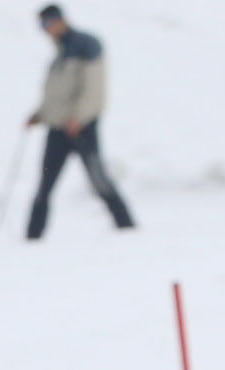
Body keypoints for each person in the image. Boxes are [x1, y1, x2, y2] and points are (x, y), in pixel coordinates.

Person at [23, 5, 133, 240]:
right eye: (42, 26)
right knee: (45, 183)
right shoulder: (60, 54)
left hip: (81, 128)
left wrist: (79, 118)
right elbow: (57, 95)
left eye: (48, 24)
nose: (46, 30)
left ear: (60, 20)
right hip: (57, 129)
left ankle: (127, 227)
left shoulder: (86, 45)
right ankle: (32, 238)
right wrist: (39, 114)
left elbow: (94, 90)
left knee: (98, 179)